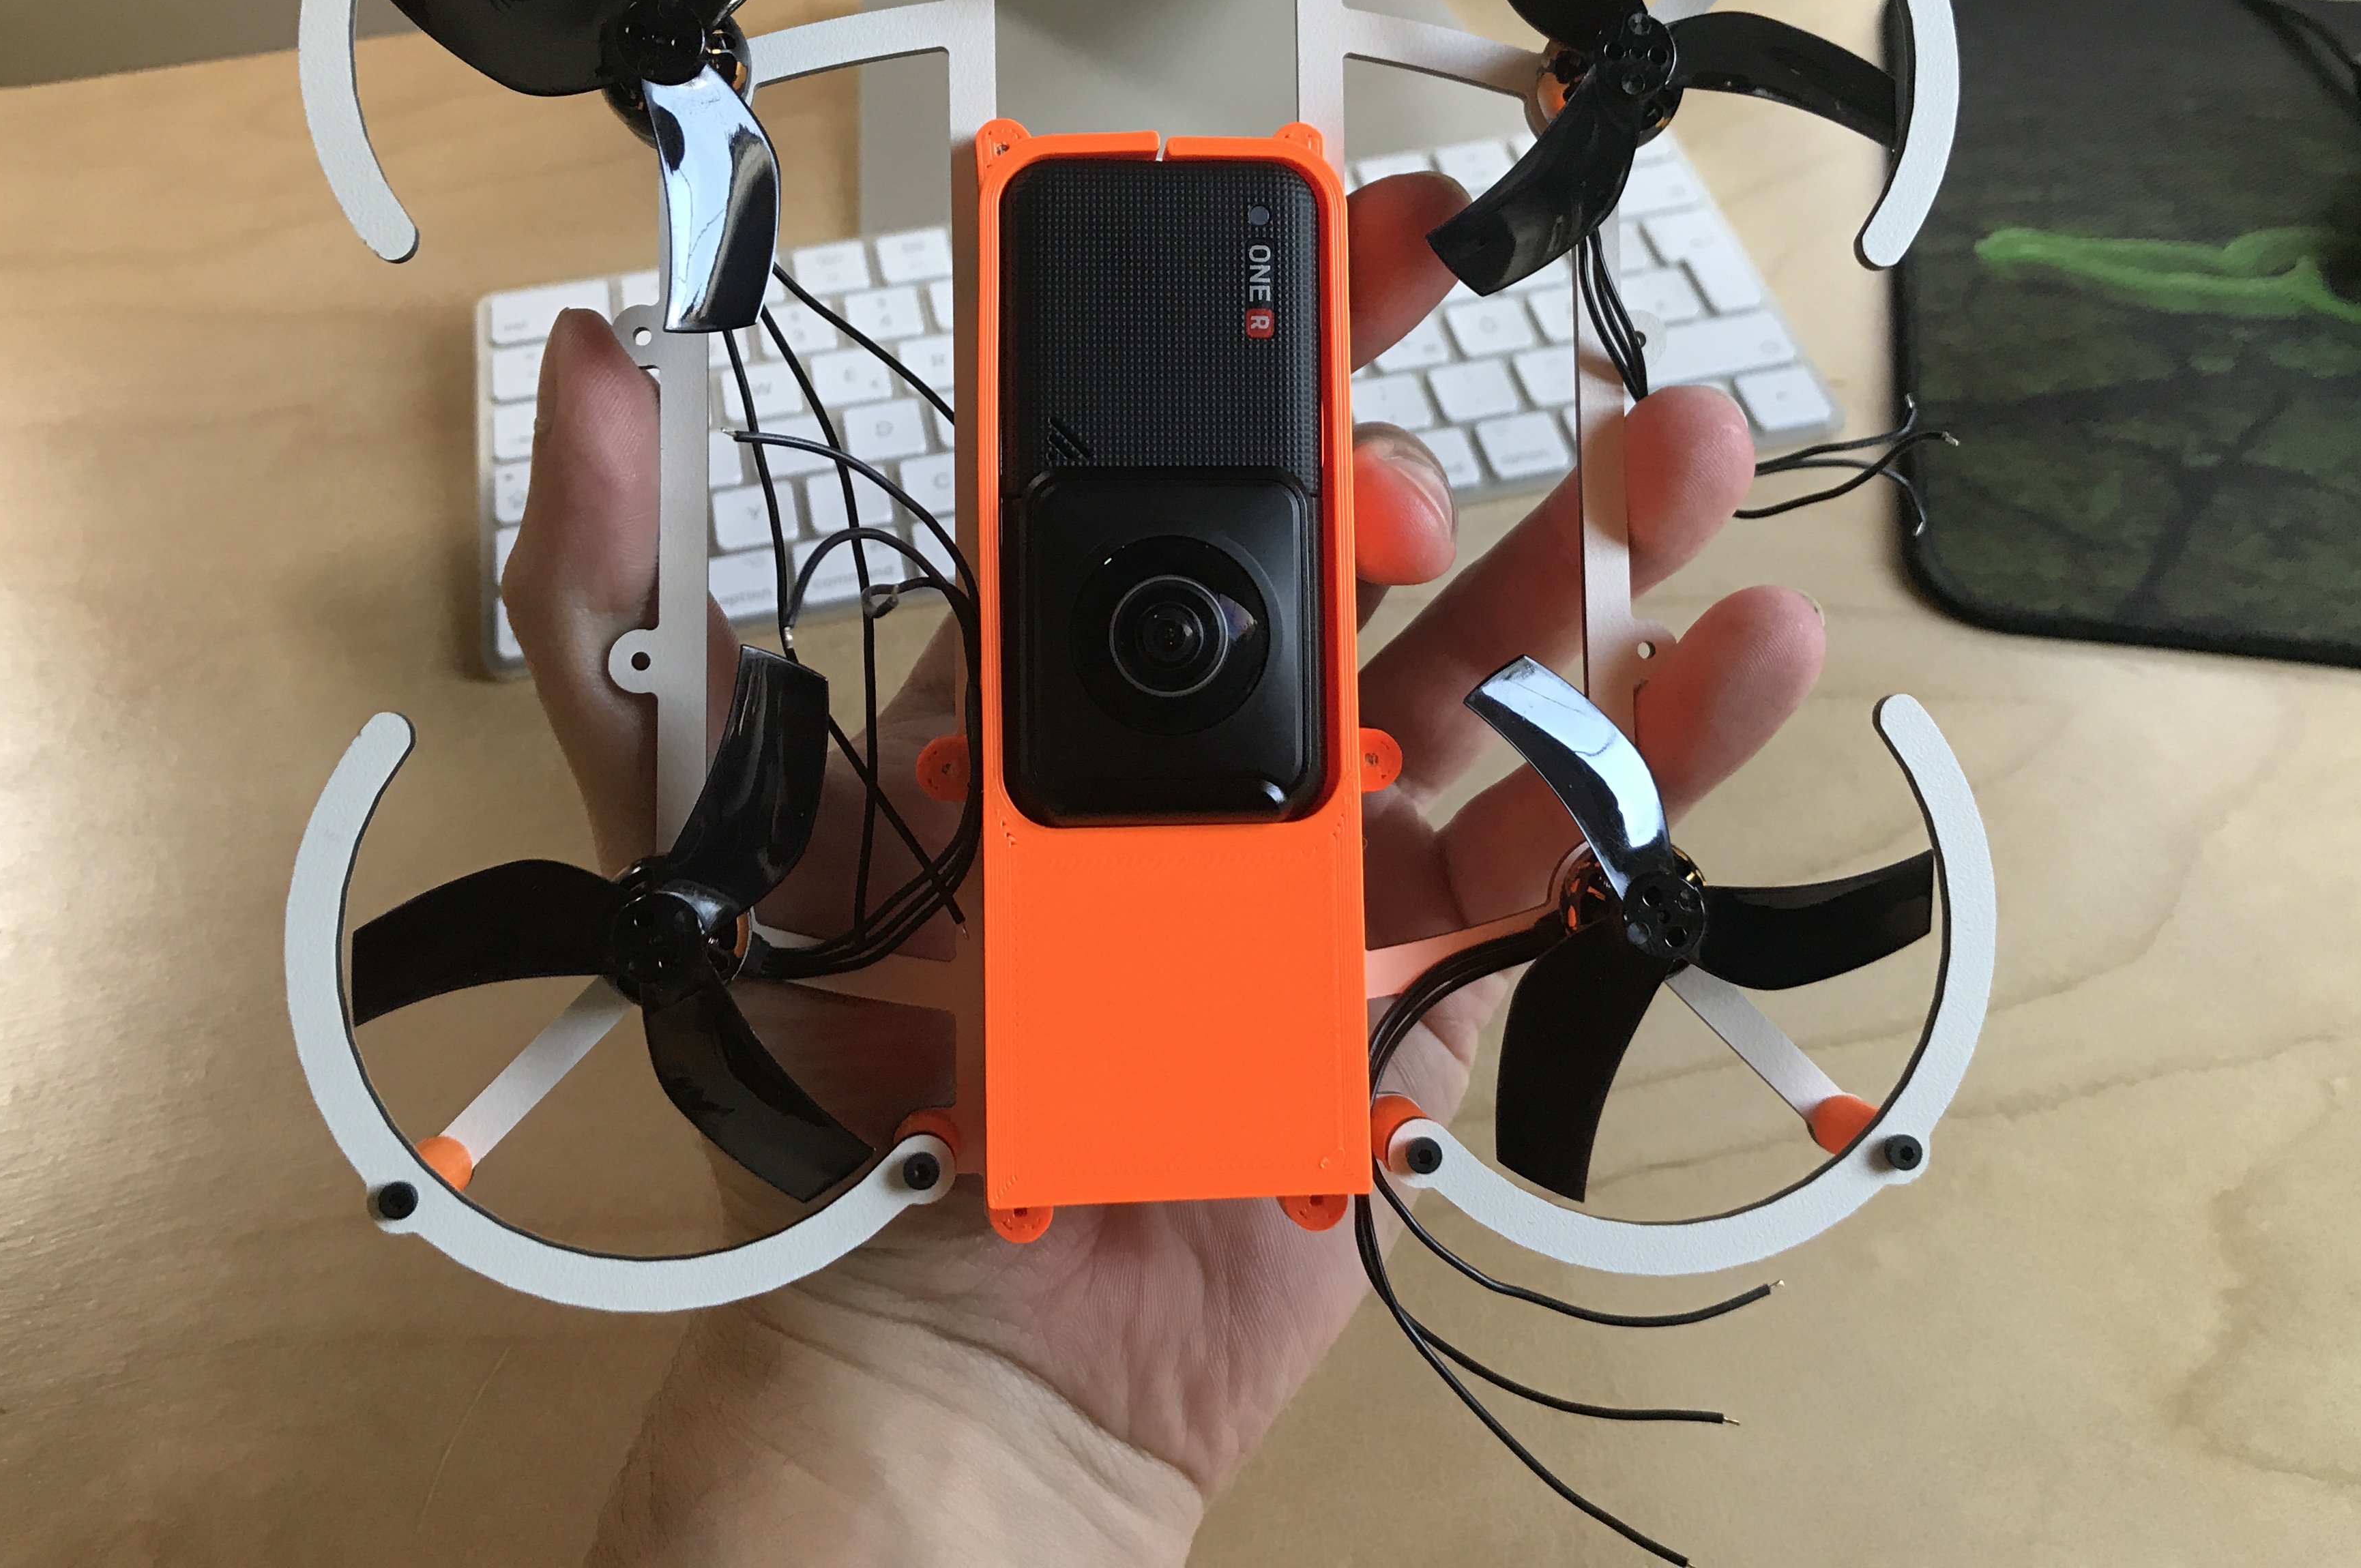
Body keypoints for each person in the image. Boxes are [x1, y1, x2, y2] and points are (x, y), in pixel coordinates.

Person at [499, 168, 1824, 1564]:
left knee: (1358, 501)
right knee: (1347, 493)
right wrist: (913, 1374)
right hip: (944, 1270)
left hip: (1095, 1240)